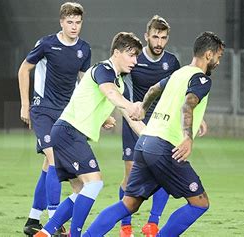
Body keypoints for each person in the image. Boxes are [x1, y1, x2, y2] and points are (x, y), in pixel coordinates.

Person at [83, 31, 225, 237]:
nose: (219, 62)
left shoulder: (179, 73)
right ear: (209, 55)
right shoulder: (201, 79)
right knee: (199, 203)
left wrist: (142, 108)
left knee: (129, 204)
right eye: (219, 57)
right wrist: (188, 138)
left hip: (145, 142)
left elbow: (153, 89)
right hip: (165, 148)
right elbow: (188, 104)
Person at [33, 32, 145, 237]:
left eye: (137, 56)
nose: (135, 61)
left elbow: (131, 118)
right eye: (131, 55)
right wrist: (130, 105)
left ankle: (46, 232)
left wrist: (149, 137)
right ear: (117, 52)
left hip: (67, 134)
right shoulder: (103, 69)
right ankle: (75, 235)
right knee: (94, 183)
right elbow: (109, 93)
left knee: (80, 192)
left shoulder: (119, 83)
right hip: (69, 133)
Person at [17, 2, 91, 236]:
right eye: (70, 22)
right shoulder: (47, 44)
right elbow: (23, 70)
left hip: (67, 115)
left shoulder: (84, 49)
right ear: (61, 22)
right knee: (54, 160)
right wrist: (25, 105)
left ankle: (33, 220)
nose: (74, 27)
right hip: (43, 111)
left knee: (49, 165)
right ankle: (54, 222)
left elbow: (85, 84)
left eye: (78, 22)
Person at [118, 15, 181, 237]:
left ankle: (152, 224)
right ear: (146, 36)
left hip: (161, 126)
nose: (159, 42)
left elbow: (179, 93)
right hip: (135, 123)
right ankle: (125, 226)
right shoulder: (134, 61)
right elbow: (121, 91)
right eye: (155, 36)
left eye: (163, 38)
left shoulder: (172, 62)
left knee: (163, 174)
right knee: (130, 177)